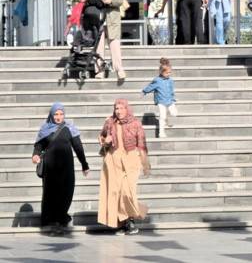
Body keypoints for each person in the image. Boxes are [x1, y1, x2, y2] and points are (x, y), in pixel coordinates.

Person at [31, 103, 89, 234]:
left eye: (61, 114)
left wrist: (84, 165)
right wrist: (35, 155)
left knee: (65, 192)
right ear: (51, 115)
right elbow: (39, 145)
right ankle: (49, 219)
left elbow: (78, 148)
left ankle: (61, 219)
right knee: (50, 193)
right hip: (50, 167)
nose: (58, 117)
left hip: (66, 167)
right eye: (56, 114)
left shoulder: (70, 129)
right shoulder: (45, 128)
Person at [98, 98, 150, 235]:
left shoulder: (136, 123)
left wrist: (145, 163)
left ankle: (131, 218)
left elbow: (142, 143)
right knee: (115, 192)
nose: (119, 111)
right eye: (117, 108)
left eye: (122, 108)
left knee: (127, 191)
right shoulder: (110, 121)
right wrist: (105, 141)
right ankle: (120, 224)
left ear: (127, 108)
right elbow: (102, 137)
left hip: (131, 159)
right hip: (113, 159)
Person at [92, 0, 126, 80]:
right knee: (99, 47)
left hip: (112, 19)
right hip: (98, 19)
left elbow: (120, 0)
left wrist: (110, 0)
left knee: (114, 46)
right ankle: (99, 71)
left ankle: (119, 70)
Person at [139, 57, 178, 138]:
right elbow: (150, 86)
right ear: (161, 72)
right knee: (162, 117)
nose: (168, 74)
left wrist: (173, 97)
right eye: (167, 73)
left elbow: (172, 90)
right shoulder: (157, 80)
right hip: (161, 101)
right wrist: (143, 92)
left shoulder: (170, 80)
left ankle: (166, 118)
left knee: (174, 113)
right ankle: (161, 133)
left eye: (170, 72)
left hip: (170, 100)